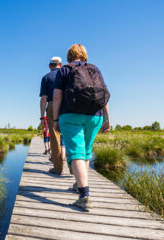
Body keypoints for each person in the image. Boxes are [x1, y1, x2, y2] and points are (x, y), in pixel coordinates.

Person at [53, 44, 110, 209]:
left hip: (70, 115)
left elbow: (57, 97)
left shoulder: (65, 70)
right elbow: (104, 95)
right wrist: (107, 119)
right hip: (95, 116)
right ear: (84, 55)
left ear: (69, 55)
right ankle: (79, 185)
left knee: (76, 152)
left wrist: (55, 120)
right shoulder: (95, 69)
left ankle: (84, 195)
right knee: (85, 151)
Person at [40, 57, 63, 174]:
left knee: (54, 136)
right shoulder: (67, 74)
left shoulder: (46, 78)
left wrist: (41, 116)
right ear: (61, 64)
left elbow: (43, 98)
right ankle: (74, 170)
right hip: (67, 104)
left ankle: (58, 167)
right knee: (70, 135)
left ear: (50, 65)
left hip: (52, 105)